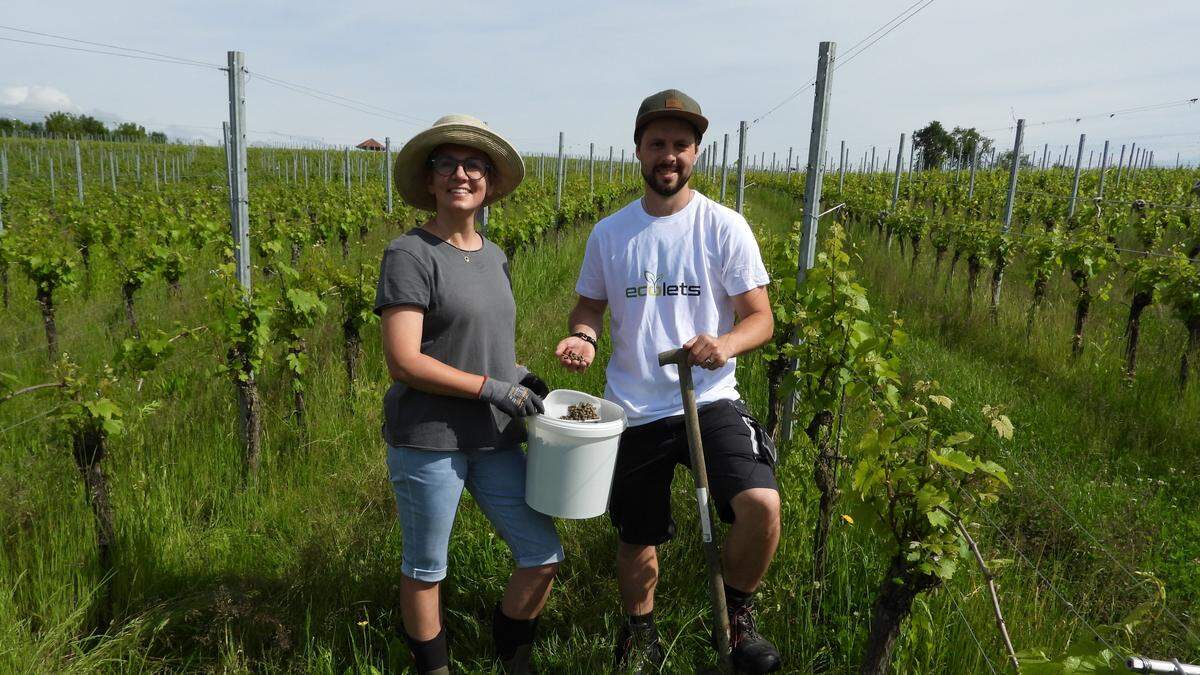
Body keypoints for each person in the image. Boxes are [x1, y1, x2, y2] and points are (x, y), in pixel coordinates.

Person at [555, 90, 783, 674]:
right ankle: (641, 635)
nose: (669, 156)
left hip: (708, 398)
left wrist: (723, 344)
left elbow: (761, 318)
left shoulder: (724, 226)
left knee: (760, 504)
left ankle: (735, 619)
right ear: (638, 150)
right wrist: (583, 336)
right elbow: (589, 308)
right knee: (637, 532)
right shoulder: (610, 234)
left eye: (681, 145)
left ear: (696, 154)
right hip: (634, 405)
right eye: (658, 143)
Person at [376, 114, 564, 675]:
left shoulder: (494, 253)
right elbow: (404, 360)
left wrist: (521, 376)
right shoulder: (409, 254)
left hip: (495, 437)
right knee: (427, 565)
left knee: (542, 554)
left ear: (488, 179)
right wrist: (492, 388)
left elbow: (481, 342)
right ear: (430, 180)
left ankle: (512, 651)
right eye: (448, 163)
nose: (461, 173)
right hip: (430, 438)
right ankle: (433, 669)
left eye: (473, 164)